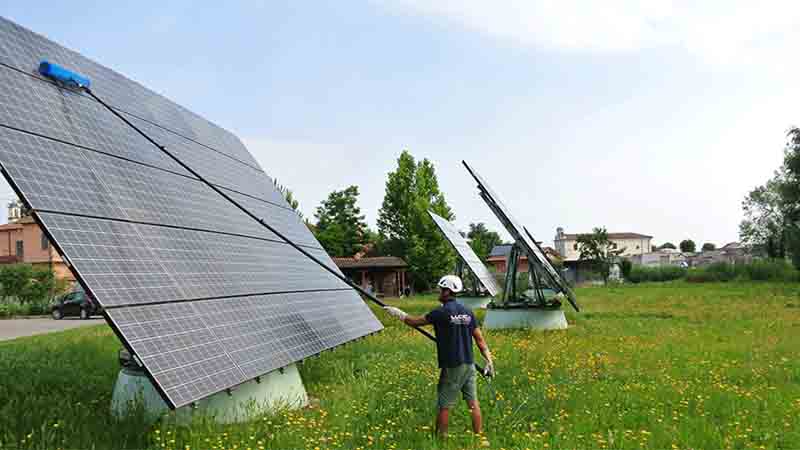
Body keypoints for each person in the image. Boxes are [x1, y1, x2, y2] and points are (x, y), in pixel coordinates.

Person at [383, 275, 494, 441]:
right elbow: (480, 339)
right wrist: (489, 360)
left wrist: (398, 313)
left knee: (444, 405)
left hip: (452, 366)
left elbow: (414, 322)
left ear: (448, 291)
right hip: (469, 364)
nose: (439, 292)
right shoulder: (468, 312)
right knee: (473, 403)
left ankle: (440, 440)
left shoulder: (441, 312)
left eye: (441, 289)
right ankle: (479, 438)